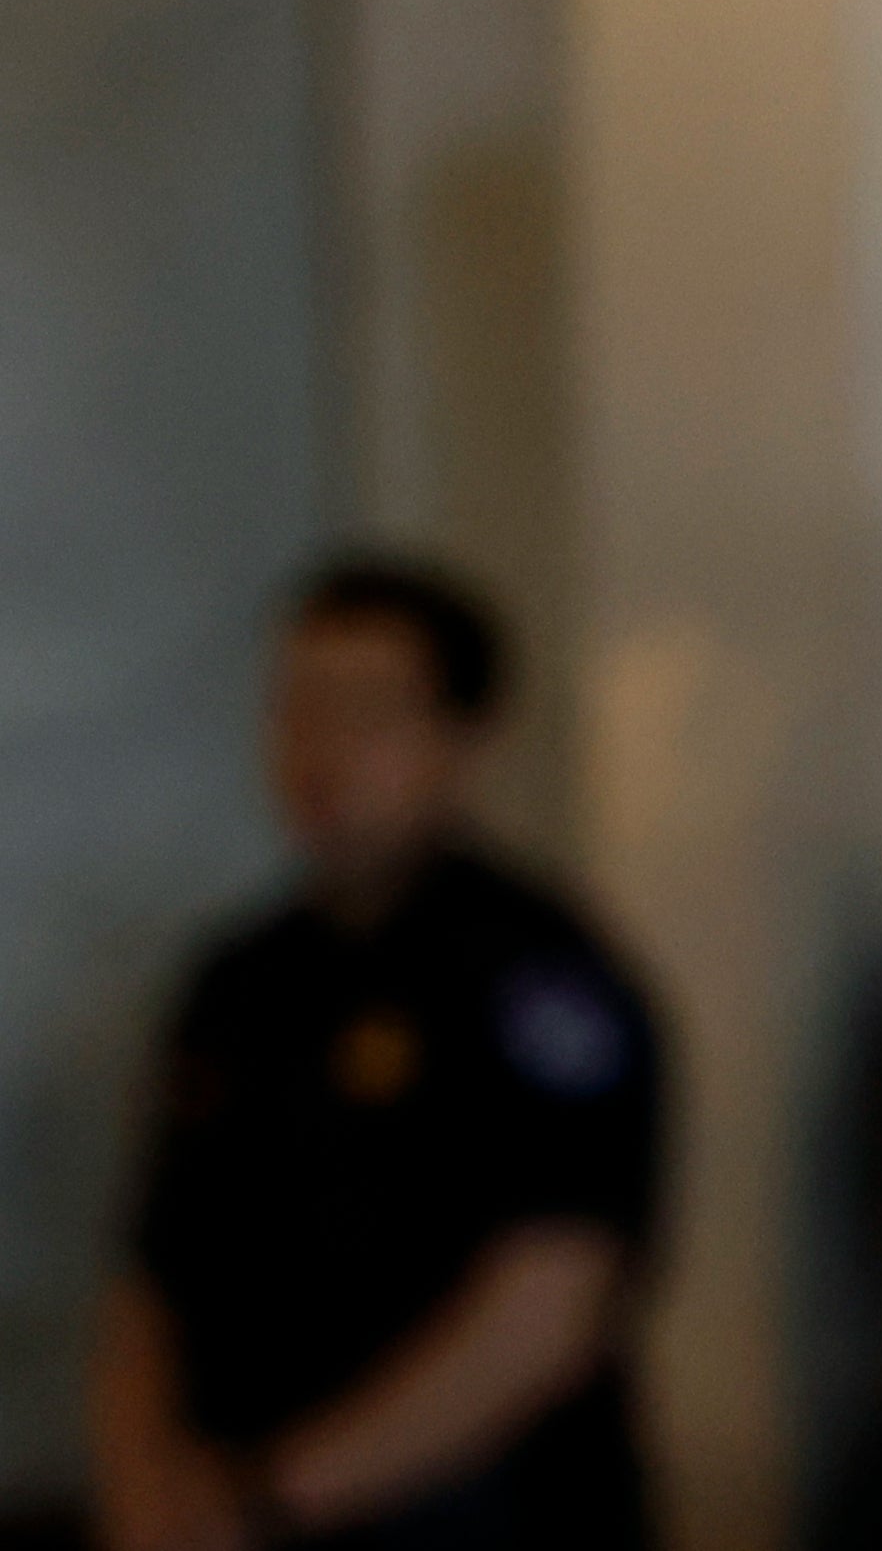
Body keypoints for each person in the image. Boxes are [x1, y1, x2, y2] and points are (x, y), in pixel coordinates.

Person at [90, 561, 661, 1551]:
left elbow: (545, 1310)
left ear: (462, 736)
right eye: (300, 707)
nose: (323, 750)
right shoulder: (237, 983)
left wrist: (271, 1496)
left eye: (367, 712)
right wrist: (147, 1505)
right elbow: (150, 1287)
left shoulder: (534, 981)